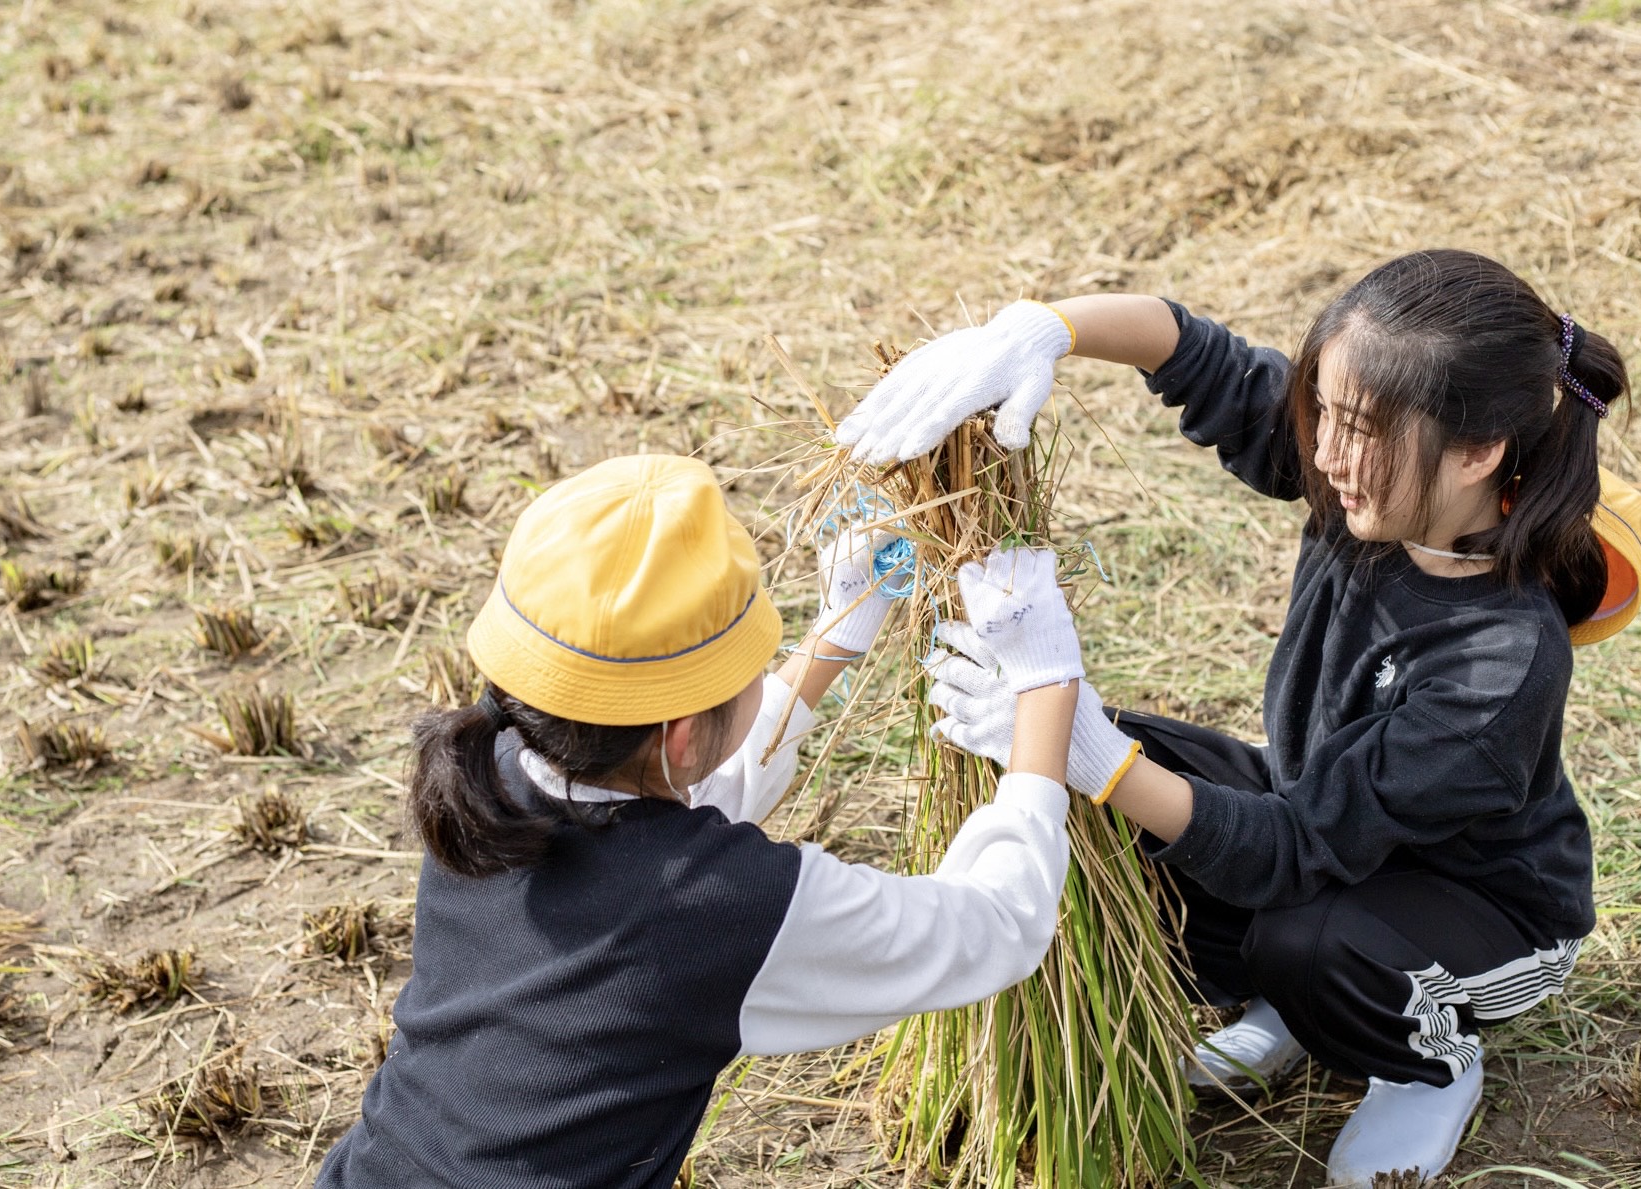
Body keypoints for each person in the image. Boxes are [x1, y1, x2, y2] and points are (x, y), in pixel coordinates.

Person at [836, 249, 1641, 1187]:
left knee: (1303, 935)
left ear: (1479, 452)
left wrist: (1085, 747)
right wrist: (1043, 328)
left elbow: (1291, 850)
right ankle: (1299, 1007)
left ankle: (1424, 1060)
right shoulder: (1372, 484)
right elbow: (1199, 356)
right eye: (1326, 413)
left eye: (1364, 430)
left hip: (1483, 912)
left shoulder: (1500, 662)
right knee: (1117, 801)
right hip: (1323, 823)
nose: (1329, 454)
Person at [315, 453, 1088, 1189]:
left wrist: (837, 631)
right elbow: (1000, 924)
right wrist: (1044, 685)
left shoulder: (489, 779)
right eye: (749, 669)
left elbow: (670, 812)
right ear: (681, 734)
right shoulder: (722, 907)